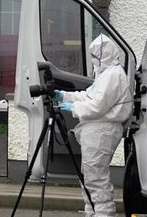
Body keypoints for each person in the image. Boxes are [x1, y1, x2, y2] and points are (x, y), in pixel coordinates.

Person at [54, 34, 132, 217]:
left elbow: (97, 106)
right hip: (97, 130)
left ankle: (103, 214)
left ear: (105, 54)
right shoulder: (105, 74)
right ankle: (92, 213)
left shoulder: (114, 75)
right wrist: (65, 96)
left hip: (103, 130)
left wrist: (74, 108)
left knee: (96, 179)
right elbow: (89, 96)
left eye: (96, 55)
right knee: (89, 177)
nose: (93, 60)